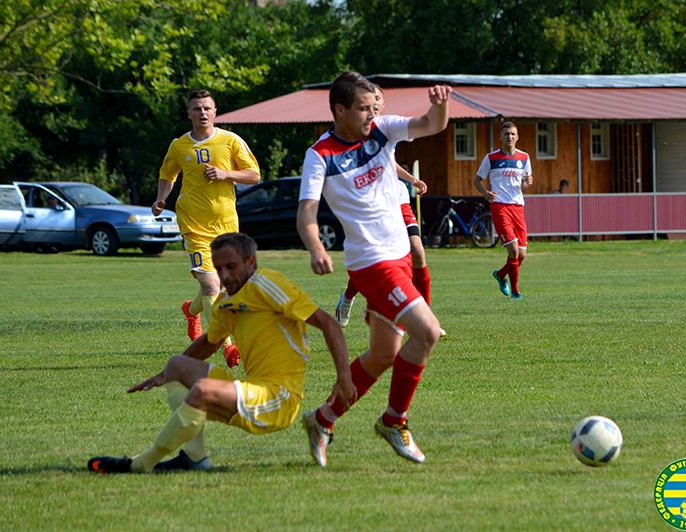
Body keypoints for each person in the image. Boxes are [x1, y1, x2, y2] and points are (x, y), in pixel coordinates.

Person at [87, 232, 356, 474]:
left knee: (202, 390)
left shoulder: (268, 284)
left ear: (251, 263)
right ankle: (195, 458)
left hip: (278, 399)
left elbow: (328, 323)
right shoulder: (226, 302)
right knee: (177, 365)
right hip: (252, 387)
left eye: (231, 267)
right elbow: (210, 342)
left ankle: (139, 465)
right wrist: (163, 374)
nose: (224, 276)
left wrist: (344, 377)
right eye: (219, 269)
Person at [297, 71, 450, 466]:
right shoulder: (320, 155)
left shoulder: (382, 130)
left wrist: (440, 104)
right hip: (371, 263)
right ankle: (394, 420)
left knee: (384, 354)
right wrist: (315, 247)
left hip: (398, 254)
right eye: (363, 108)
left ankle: (323, 418)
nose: (372, 113)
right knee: (428, 332)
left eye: (373, 107)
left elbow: (431, 124)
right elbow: (306, 212)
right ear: (339, 110)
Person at [152, 89, 261, 367]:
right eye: (197, 108)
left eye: (207, 108)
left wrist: (226, 173)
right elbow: (167, 174)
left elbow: (254, 175)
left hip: (226, 227)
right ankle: (226, 347)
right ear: (188, 113)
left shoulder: (230, 141)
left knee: (225, 284)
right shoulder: (179, 146)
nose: (202, 113)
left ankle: (192, 310)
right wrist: (161, 197)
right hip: (194, 226)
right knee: (212, 283)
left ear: (215, 112)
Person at [335, 83, 444, 337]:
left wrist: (411, 180)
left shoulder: (387, 127)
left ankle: (425, 318)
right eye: (367, 100)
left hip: (399, 198)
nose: (373, 104)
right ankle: (348, 297)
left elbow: (390, 162)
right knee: (377, 260)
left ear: (382, 104)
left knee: (418, 251)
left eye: (377, 100)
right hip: (375, 206)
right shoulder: (354, 132)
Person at [474, 121, 533, 300]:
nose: (509, 137)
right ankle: (515, 291)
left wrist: (527, 183)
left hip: (518, 206)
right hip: (499, 206)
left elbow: (525, 181)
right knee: (513, 251)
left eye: (513, 134)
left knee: (522, 254)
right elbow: (477, 180)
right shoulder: (491, 158)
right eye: (506, 134)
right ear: (500, 137)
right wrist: (486, 193)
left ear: (517, 137)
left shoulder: (524, 158)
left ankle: (500, 275)